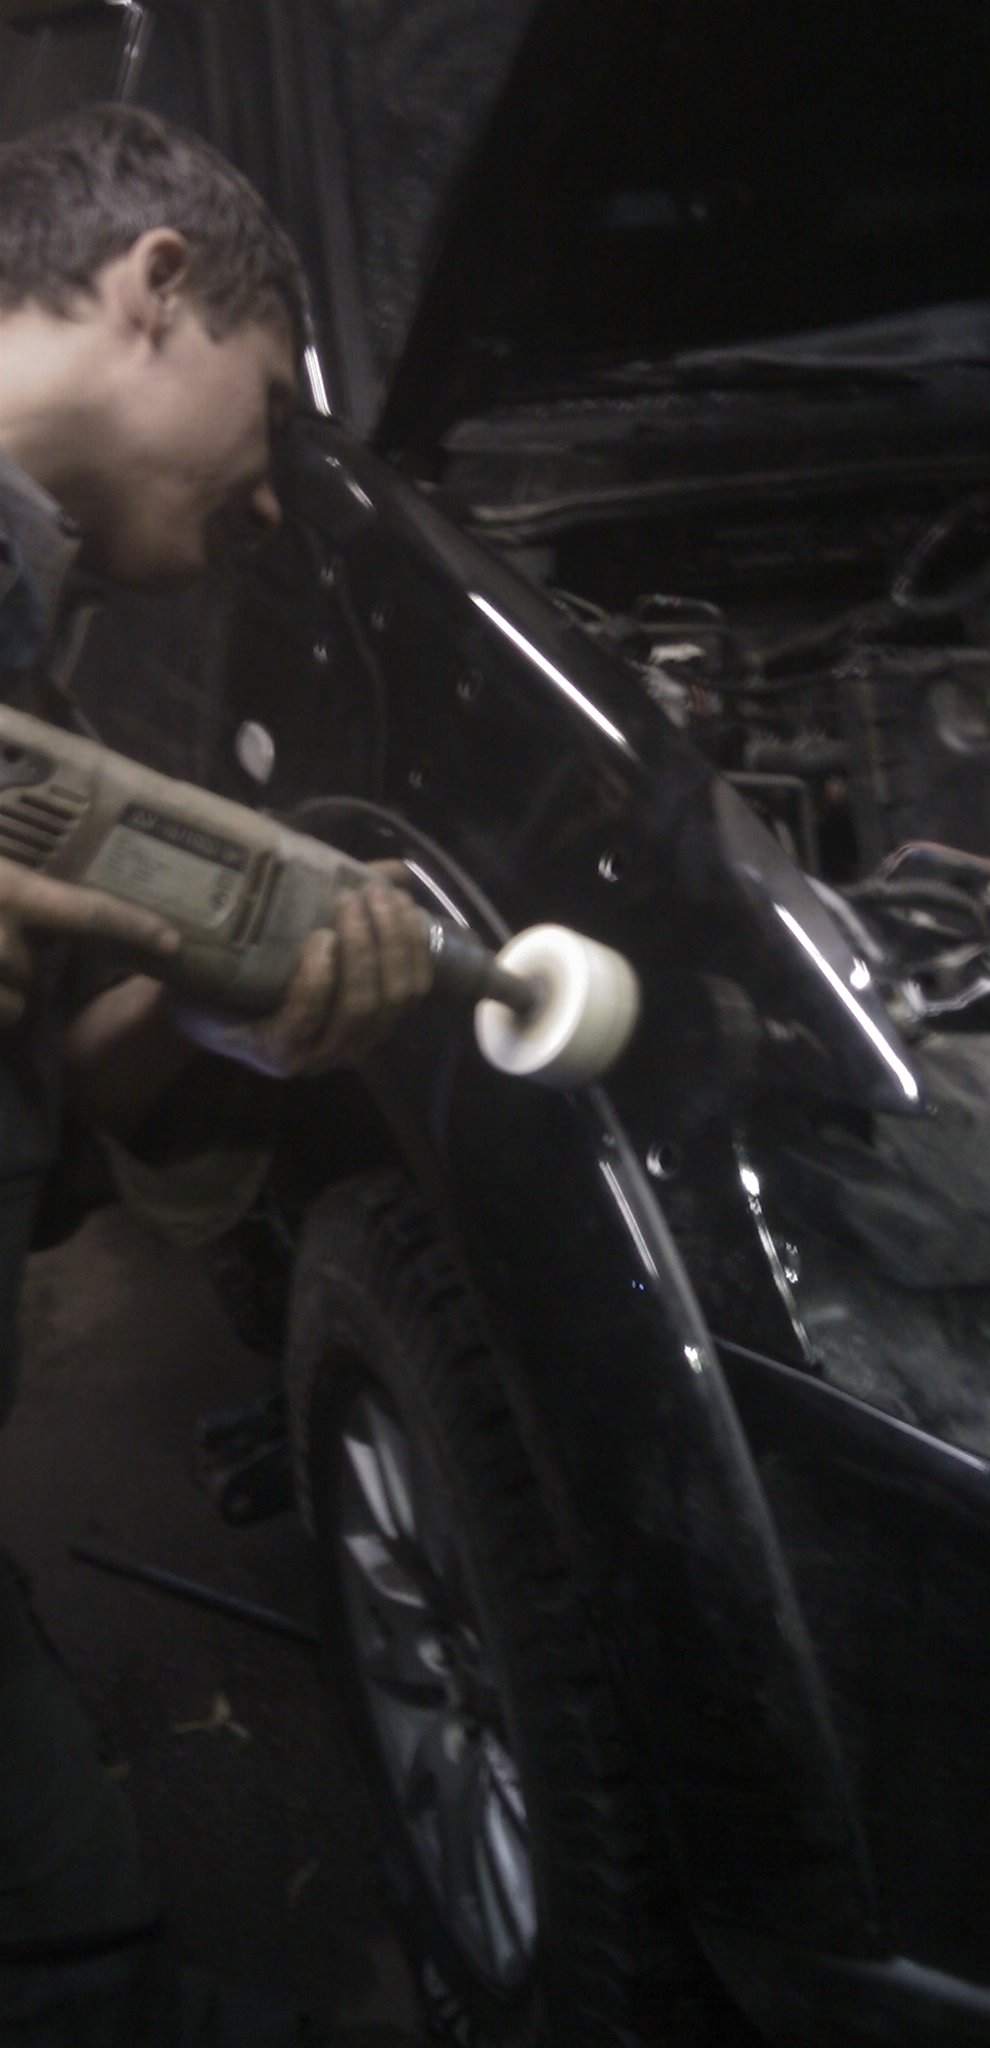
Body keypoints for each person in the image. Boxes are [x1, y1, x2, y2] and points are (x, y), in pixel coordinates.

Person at [0, 102, 428, 2044]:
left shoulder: (29, 635)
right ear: (156, 286)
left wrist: (206, 1011)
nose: (271, 507)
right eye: (272, 400)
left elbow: (38, 1122)